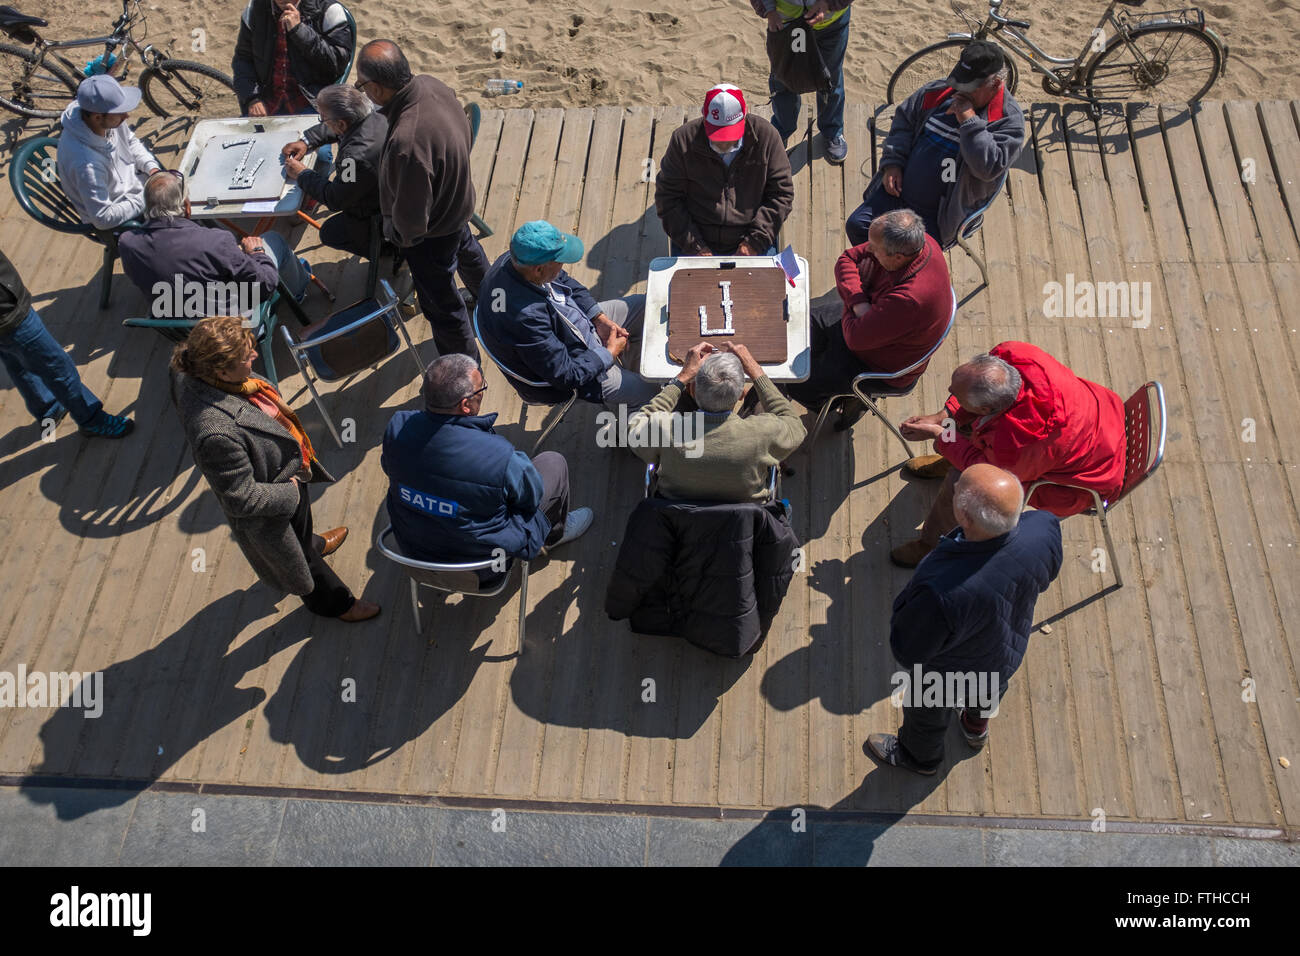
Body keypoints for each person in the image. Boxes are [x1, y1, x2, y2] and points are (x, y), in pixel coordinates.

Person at [170, 316, 380, 622]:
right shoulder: (214, 434)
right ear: (220, 370)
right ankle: (337, 604)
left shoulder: (204, 369)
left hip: (285, 473)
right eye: (246, 355)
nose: (254, 355)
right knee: (301, 562)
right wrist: (291, 492)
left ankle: (312, 543)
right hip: (275, 499)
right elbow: (241, 498)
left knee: (304, 537)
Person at [865, 464, 1062, 775]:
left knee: (926, 714)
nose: (953, 488)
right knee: (989, 690)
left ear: (964, 518)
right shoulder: (1044, 527)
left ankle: (920, 759)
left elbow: (908, 650)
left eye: (957, 490)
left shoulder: (941, 590)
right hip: (1006, 653)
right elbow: (1048, 574)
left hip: (947, 674)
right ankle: (974, 727)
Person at [891, 342, 1127, 568]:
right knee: (962, 427)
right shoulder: (1013, 355)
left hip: (1077, 485)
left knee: (963, 481)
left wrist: (939, 434)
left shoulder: (1020, 443)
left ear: (986, 409)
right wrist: (944, 417)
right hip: (1101, 420)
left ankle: (930, 545)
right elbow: (974, 404)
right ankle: (949, 455)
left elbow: (980, 467)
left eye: (956, 395)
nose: (950, 392)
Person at [381, 354, 594, 573]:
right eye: (481, 389)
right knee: (553, 462)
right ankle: (551, 535)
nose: (483, 393)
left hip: (417, 553)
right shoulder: (500, 456)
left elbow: (390, 469)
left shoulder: (397, 427)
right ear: (465, 405)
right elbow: (531, 497)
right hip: (485, 565)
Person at [355, 39, 487, 361]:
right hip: (459, 204)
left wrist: (399, 238)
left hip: (434, 234)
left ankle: (467, 376)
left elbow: (413, 219)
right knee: (469, 253)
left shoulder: (407, 142)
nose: (362, 92)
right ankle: (496, 302)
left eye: (362, 86)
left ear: (377, 88)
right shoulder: (432, 84)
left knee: (443, 307)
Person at [846, 40, 1024, 248]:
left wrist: (969, 121)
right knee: (857, 226)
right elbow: (903, 122)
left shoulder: (1008, 121)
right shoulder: (938, 92)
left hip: (939, 215)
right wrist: (893, 163)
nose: (958, 91)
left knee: (910, 255)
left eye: (968, 86)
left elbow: (987, 168)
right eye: (958, 81)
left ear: (994, 84)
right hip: (897, 193)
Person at [477, 220, 659, 410]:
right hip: (578, 367)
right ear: (539, 269)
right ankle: (633, 430)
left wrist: (599, 319)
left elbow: (566, 282)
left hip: (577, 326)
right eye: (560, 261)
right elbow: (566, 375)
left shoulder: (516, 258)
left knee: (648, 306)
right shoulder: (526, 320)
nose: (563, 265)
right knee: (649, 393)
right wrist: (609, 353)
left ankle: (628, 359)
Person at [786, 208, 951, 416]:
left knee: (798, 381)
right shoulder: (919, 242)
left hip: (880, 363)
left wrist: (855, 294)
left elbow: (854, 338)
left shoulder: (909, 300)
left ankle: (835, 406)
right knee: (801, 321)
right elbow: (847, 259)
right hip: (872, 318)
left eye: (874, 249)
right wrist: (858, 302)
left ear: (898, 257)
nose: (868, 250)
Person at [118, 170, 311, 319]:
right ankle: (299, 289)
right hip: (229, 326)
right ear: (186, 206)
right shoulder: (215, 241)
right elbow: (265, 284)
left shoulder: (127, 243)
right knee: (273, 240)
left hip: (176, 320)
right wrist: (258, 253)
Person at [628, 342, 805, 501]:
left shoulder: (666, 429)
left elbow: (634, 427)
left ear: (694, 390)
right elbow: (796, 427)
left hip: (679, 508)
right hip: (742, 513)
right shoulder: (762, 433)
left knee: (677, 400)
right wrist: (755, 371)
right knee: (774, 392)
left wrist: (681, 378)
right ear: (740, 395)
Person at [0, 247, 134, 439]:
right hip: (9, 313)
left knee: (17, 360)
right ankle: (91, 419)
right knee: (57, 367)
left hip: (7, 306)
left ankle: (49, 408)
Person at [655, 83, 794, 256]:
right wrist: (695, 246)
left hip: (753, 234)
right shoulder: (682, 141)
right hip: (696, 238)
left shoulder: (767, 137)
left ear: (745, 116)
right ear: (704, 118)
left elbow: (781, 195)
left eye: (730, 135)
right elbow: (667, 198)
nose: (724, 143)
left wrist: (754, 242)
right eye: (717, 135)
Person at [281, 84, 387, 258]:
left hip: (379, 213)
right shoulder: (374, 111)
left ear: (341, 123)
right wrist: (307, 141)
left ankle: (385, 250)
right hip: (394, 191)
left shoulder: (352, 160)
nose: (322, 122)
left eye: (323, 118)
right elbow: (338, 128)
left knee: (329, 234)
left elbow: (336, 198)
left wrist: (303, 174)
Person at [751, 0, 853, 163]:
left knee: (830, 79)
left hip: (831, 25)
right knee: (783, 80)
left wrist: (828, 3)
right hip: (786, 24)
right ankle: (782, 130)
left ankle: (832, 131)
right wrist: (769, 11)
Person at [56, 75, 160, 230]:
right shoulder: (85, 165)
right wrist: (150, 197)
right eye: (120, 112)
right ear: (98, 117)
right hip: (122, 220)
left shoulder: (108, 120)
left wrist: (152, 169)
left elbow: (130, 142)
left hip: (137, 189)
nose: (127, 116)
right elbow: (103, 218)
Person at [232, 0, 354, 117]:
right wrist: (252, 98)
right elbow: (243, 60)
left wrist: (299, 31)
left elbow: (337, 64)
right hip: (267, 102)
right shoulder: (255, 9)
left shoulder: (329, 10)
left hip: (313, 103)